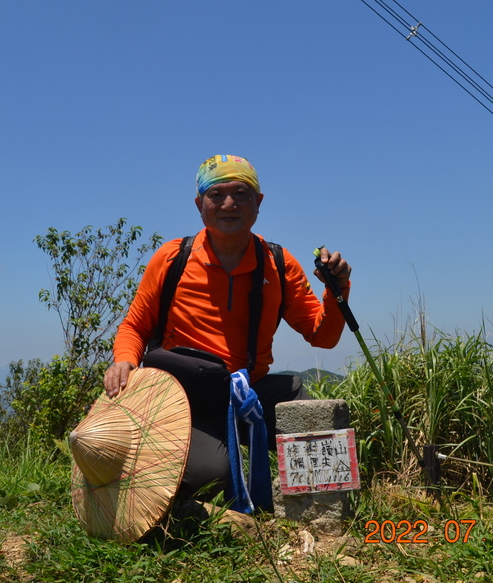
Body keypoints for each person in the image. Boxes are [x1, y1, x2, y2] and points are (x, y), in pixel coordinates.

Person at [103, 154, 351, 506]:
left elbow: (322, 337)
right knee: (209, 476)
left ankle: (322, 510)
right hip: (184, 395)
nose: (229, 203)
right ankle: (166, 476)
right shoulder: (174, 258)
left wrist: (337, 290)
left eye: (241, 192)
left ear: (259, 202)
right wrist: (124, 361)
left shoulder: (278, 263)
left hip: (248, 390)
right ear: (199, 205)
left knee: (314, 426)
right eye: (217, 194)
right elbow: (135, 325)